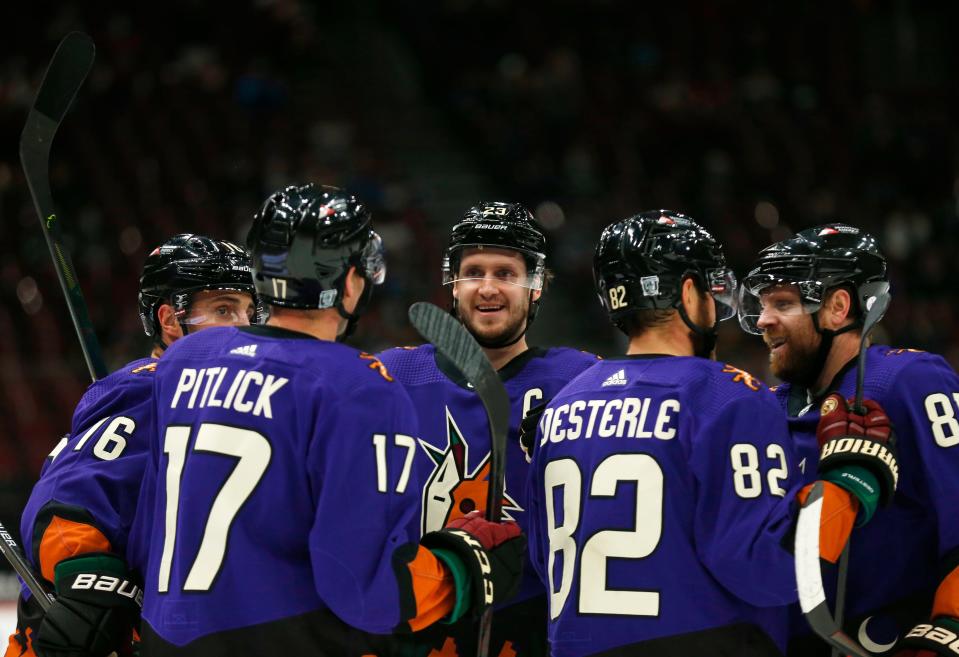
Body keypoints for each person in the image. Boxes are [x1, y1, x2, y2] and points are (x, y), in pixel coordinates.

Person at [133, 184, 525, 657]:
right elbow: (363, 591)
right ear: (352, 280)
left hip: (162, 638)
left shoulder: (186, 359)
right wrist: (463, 568)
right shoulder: (358, 387)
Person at [524, 210, 806, 656]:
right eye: (711, 289)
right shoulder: (728, 396)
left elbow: (543, 560)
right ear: (689, 292)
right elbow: (766, 570)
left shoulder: (558, 409)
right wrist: (844, 492)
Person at [6, 234, 259, 657]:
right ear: (170, 319)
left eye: (249, 310)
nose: (245, 326)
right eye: (223, 309)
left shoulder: (224, 400)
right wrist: (90, 584)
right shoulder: (157, 386)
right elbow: (67, 498)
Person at [378, 201, 599, 657]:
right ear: (452, 285)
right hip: (412, 623)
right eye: (474, 271)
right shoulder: (392, 375)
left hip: (533, 628)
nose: (488, 288)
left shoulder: (582, 383)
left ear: (535, 287)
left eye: (506, 273)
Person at [739, 223, 959, 656]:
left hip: (884, 640)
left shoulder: (910, 382)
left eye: (782, 303)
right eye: (762, 305)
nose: (763, 320)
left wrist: (946, 633)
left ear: (838, 307)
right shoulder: (760, 407)